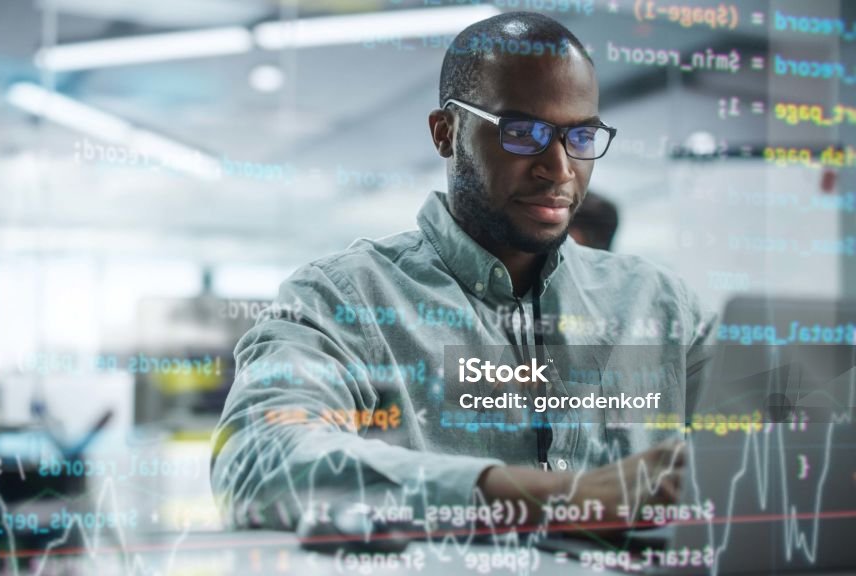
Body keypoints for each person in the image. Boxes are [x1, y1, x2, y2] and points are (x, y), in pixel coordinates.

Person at [210, 12, 714, 533]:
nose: (560, 168)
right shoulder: (341, 301)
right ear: (446, 132)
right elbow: (257, 463)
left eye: (580, 137)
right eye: (523, 133)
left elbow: (779, 458)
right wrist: (563, 497)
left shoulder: (661, 306)